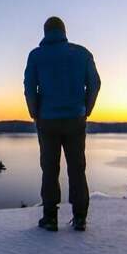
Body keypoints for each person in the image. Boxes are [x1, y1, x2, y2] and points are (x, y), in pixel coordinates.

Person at [23, 17, 101, 231]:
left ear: (45, 32)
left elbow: (29, 88)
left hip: (47, 121)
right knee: (77, 167)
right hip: (75, 119)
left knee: (49, 168)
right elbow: (95, 84)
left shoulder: (36, 55)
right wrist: (85, 110)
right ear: (64, 31)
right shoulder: (82, 53)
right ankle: (80, 218)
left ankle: (50, 218)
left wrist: (34, 113)